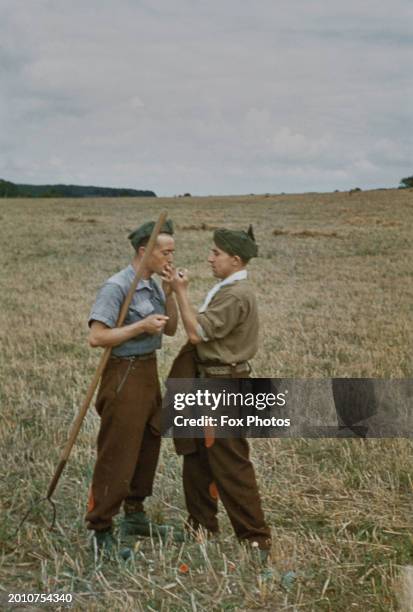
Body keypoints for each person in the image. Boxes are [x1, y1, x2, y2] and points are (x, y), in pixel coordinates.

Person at [167, 226, 271, 560]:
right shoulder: (226, 288)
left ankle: (255, 538)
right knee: (196, 457)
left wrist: (180, 292)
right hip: (205, 382)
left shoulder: (237, 294)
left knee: (230, 461)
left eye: (216, 253)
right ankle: (200, 526)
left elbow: (196, 332)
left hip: (222, 386)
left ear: (235, 259)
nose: (210, 258)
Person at [86, 219, 179, 556]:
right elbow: (97, 337)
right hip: (123, 374)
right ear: (144, 251)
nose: (171, 257)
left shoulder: (153, 284)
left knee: (147, 444)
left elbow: (169, 332)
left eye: (172, 251)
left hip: (148, 372)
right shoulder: (116, 287)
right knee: (119, 451)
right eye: (165, 252)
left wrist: (170, 294)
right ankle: (101, 529)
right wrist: (140, 326)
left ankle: (135, 516)